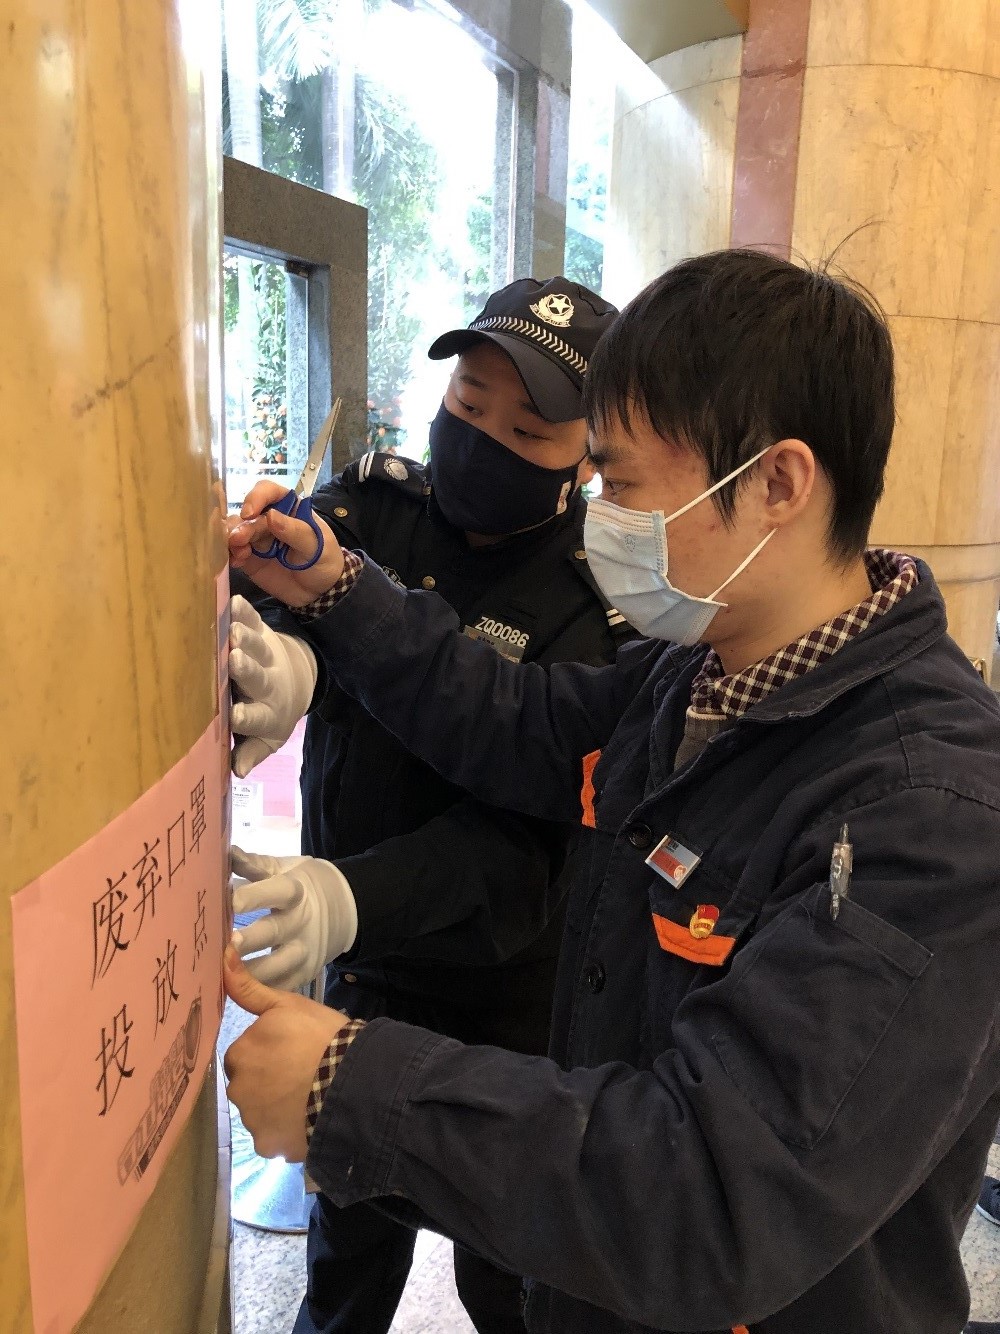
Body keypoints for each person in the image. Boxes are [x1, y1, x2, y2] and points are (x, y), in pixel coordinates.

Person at [223, 248, 1000, 1334]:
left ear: (777, 484)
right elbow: (511, 717)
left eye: (622, 483)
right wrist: (337, 591)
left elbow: (714, 1192)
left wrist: (353, 1083)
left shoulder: (925, 813)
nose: (597, 511)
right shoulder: (698, 673)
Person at [227, 276, 627, 1334]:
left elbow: (524, 845)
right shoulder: (381, 504)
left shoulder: (602, 605)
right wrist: (285, 658)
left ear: (589, 458)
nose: (484, 438)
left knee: (512, 1280)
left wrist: (348, 895)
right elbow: (283, 585)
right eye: (468, 402)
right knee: (344, 1260)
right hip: (358, 979)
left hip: (500, 1006)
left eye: (528, 429)